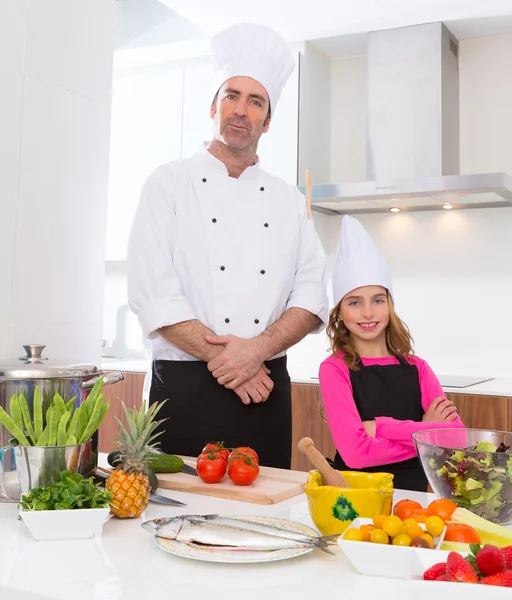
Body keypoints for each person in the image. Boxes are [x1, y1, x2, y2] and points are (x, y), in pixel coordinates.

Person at [126, 23, 328, 469]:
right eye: (231, 96)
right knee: (171, 523)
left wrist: (256, 351)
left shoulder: (289, 200)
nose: (241, 110)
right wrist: (232, 360)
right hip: (183, 388)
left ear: (268, 121)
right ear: (213, 106)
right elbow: (153, 294)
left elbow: (312, 296)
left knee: (264, 522)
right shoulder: (168, 183)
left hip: (265, 389)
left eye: (255, 102)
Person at [318, 216, 465, 491]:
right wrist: (425, 432)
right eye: (354, 302)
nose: (368, 313)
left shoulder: (417, 367)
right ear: (340, 311)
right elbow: (355, 454)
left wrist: (380, 427)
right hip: (357, 497)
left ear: (390, 304)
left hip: (414, 500)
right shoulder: (334, 369)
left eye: (377, 300)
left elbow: (456, 440)